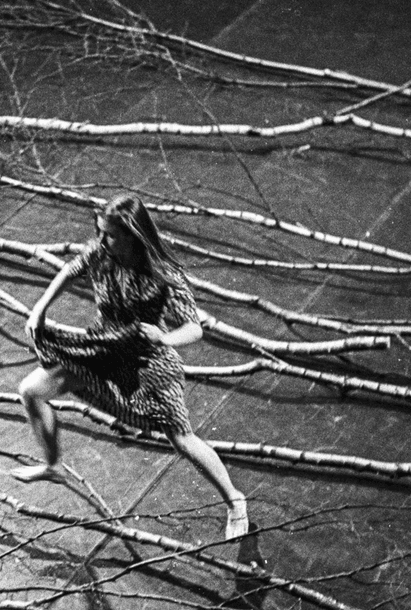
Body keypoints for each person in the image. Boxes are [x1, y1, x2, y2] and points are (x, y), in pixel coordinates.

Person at [14, 194, 249, 540]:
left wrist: (165, 338)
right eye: (101, 232)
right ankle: (53, 466)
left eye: (110, 234)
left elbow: (194, 327)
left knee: (181, 438)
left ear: (132, 235)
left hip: (147, 361)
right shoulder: (100, 253)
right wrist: (39, 310)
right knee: (31, 391)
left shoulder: (163, 272)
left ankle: (235, 500)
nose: (103, 240)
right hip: (103, 348)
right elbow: (70, 270)